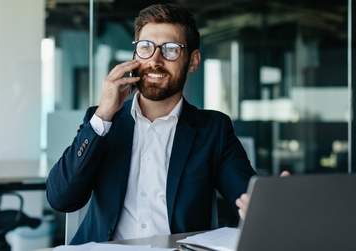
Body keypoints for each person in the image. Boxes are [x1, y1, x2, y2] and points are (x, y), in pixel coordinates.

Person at [46, 3, 256, 245]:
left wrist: (268, 201)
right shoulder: (103, 122)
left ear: (193, 61)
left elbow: (246, 195)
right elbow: (61, 199)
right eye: (146, 48)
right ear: (135, 56)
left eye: (171, 50)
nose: (155, 60)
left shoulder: (213, 130)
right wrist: (103, 116)